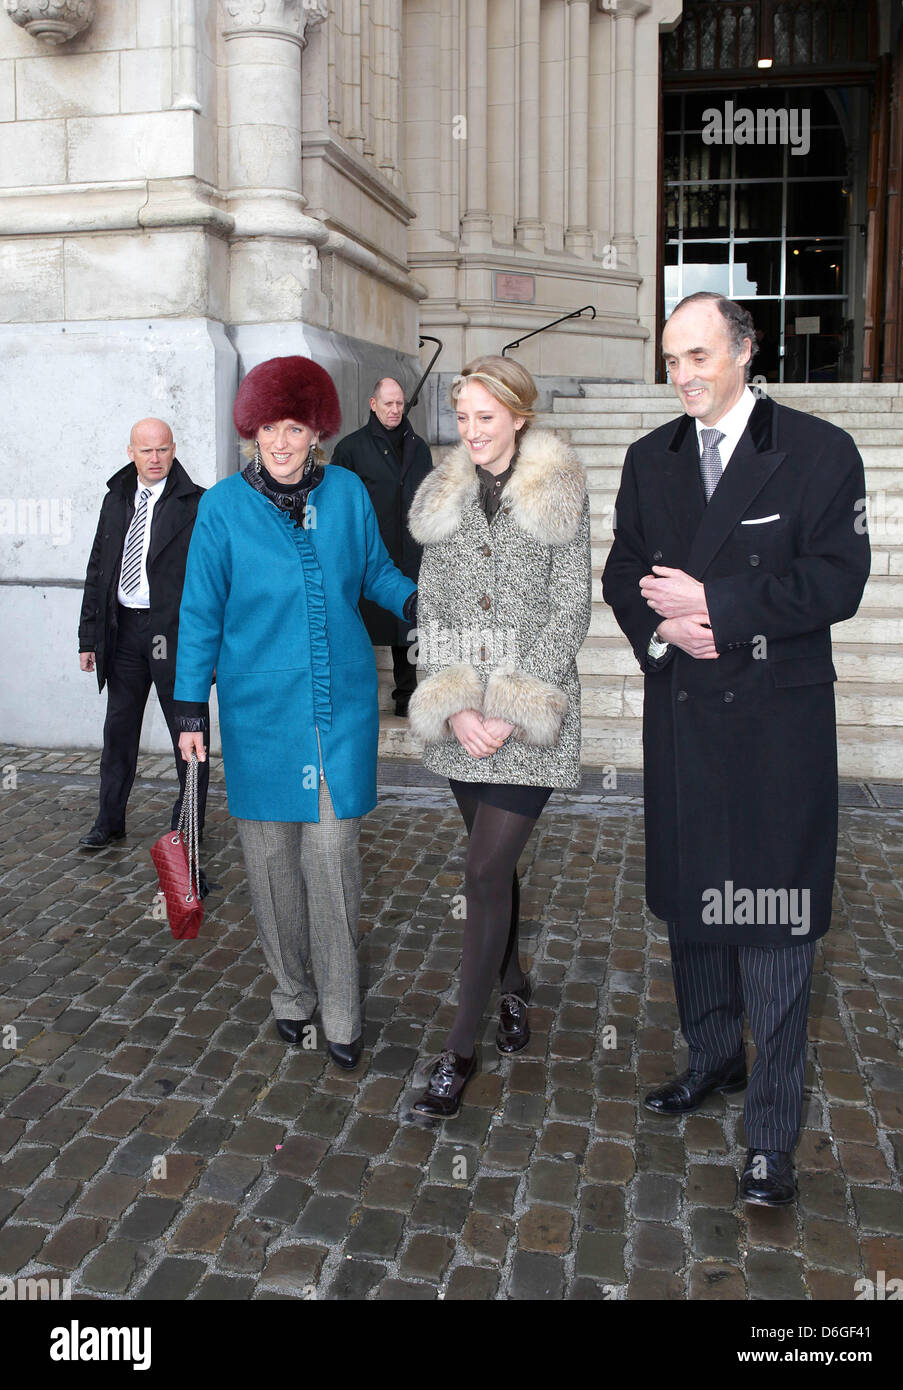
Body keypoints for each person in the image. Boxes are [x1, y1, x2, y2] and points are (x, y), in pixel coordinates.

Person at [602, 292, 871, 1205]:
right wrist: (664, 633)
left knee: (777, 927)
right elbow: (622, 569)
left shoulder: (819, 452)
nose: (682, 376)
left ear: (747, 352)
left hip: (776, 728)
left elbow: (840, 578)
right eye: (672, 359)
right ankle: (713, 1054)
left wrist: (721, 611)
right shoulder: (650, 458)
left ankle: (771, 1136)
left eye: (700, 356)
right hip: (684, 716)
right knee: (695, 910)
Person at [173, 356, 416, 1069]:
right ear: (252, 431)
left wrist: (414, 602)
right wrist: (192, 714)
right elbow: (199, 613)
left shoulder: (345, 492)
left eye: (297, 428)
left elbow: (374, 569)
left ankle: (341, 1013)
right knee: (273, 867)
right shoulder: (220, 506)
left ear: (318, 431)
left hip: (338, 709)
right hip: (258, 716)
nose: (282, 443)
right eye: (270, 429)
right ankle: (291, 993)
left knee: (334, 863)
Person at [407, 355, 592, 1116]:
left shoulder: (560, 489)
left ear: (519, 416)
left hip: (532, 713)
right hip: (463, 722)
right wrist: (453, 707)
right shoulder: (442, 496)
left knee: (482, 872)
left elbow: (569, 608)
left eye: (488, 416)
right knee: (496, 869)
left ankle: (458, 1050)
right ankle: (515, 985)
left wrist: (511, 707)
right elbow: (433, 609)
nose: (474, 431)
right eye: (464, 416)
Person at [77, 419, 208, 849]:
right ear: (130, 451)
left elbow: (211, 579)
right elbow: (98, 569)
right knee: (118, 732)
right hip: (124, 630)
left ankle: (187, 828)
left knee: (187, 734)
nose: (155, 459)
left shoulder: (196, 503)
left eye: (163, 449)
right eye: (146, 450)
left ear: (174, 449)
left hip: (172, 633)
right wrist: (88, 637)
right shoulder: (115, 499)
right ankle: (108, 821)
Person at [330, 377, 433, 716]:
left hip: (410, 548)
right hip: (368, 552)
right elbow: (337, 503)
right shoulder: (350, 448)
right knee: (361, 622)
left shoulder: (419, 446)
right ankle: (355, 694)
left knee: (409, 623)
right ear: (373, 404)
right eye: (388, 403)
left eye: (399, 404)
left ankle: (406, 694)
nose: (394, 410)